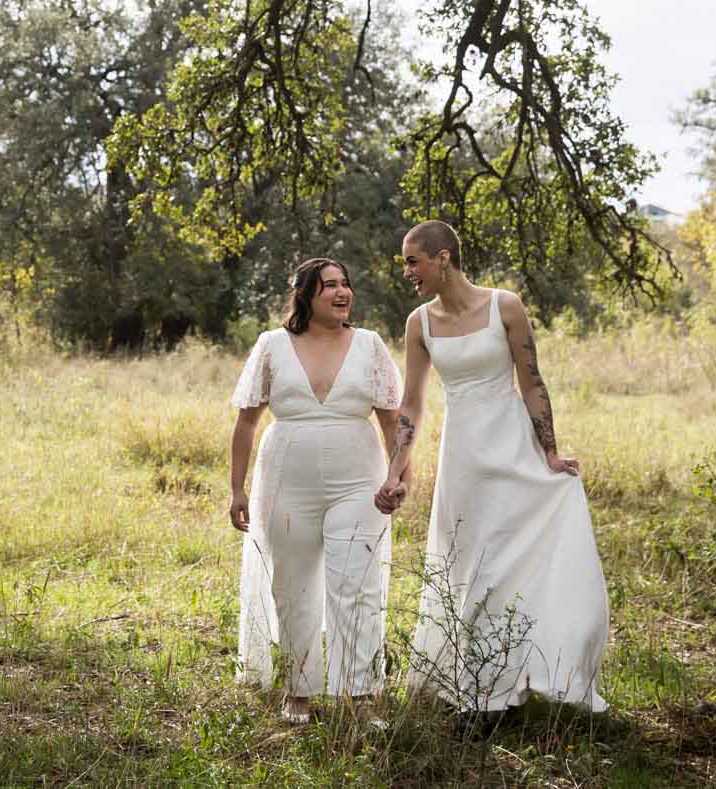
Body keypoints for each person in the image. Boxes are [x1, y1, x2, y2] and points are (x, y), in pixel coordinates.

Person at [374, 220, 608, 713]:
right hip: (464, 460)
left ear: (443, 258)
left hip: (513, 448)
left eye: (413, 261)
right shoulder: (420, 322)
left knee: (514, 561)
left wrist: (549, 452)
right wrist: (396, 470)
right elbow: (412, 405)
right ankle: (482, 690)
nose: (407, 272)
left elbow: (531, 381)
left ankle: (516, 680)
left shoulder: (505, 305)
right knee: (472, 565)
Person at [228, 257, 405, 723]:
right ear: (306, 295)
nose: (341, 292)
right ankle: (297, 691)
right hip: (287, 478)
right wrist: (237, 489)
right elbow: (246, 420)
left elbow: (393, 420)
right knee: (293, 584)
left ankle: (361, 696)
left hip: (358, 481)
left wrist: (398, 475)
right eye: (329, 285)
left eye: (346, 283)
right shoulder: (272, 345)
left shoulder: (370, 345)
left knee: (357, 584)